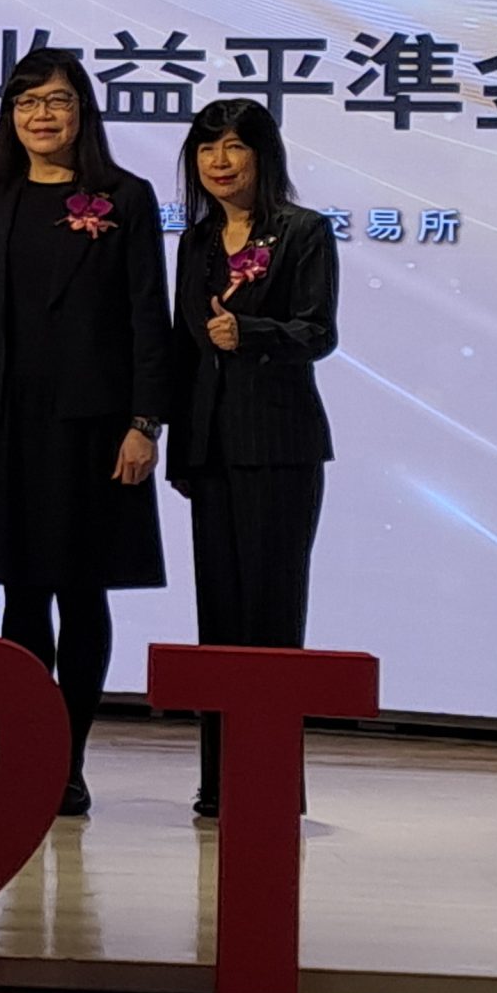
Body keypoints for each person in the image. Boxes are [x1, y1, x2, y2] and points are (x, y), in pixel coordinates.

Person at [0, 49, 168, 819]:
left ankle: (71, 759)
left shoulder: (125, 197)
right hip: (8, 421)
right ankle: (29, 754)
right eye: (27, 103)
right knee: (21, 595)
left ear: (81, 111)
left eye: (56, 101)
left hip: (93, 426)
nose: (41, 116)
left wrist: (144, 423)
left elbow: (148, 319)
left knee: (82, 592)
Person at [165, 96, 338, 820]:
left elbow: (318, 332)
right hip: (211, 449)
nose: (220, 162)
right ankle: (218, 782)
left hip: (278, 447)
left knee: (271, 618)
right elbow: (183, 345)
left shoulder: (303, 231)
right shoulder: (197, 241)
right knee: (219, 621)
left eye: (235, 146)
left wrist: (253, 332)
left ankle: (268, 784)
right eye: (207, 149)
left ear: (264, 155)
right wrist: (170, 440)